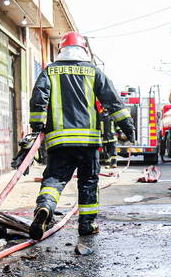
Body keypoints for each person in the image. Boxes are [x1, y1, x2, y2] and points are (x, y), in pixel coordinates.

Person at [28, 32, 134, 239]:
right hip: (88, 142)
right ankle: (87, 225)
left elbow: (39, 97)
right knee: (88, 182)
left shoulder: (50, 71)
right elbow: (113, 101)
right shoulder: (94, 72)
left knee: (54, 179)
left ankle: (46, 208)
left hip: (59, 141)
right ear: (84, 50)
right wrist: (127, 127)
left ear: (61, 49)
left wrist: (37, 125)